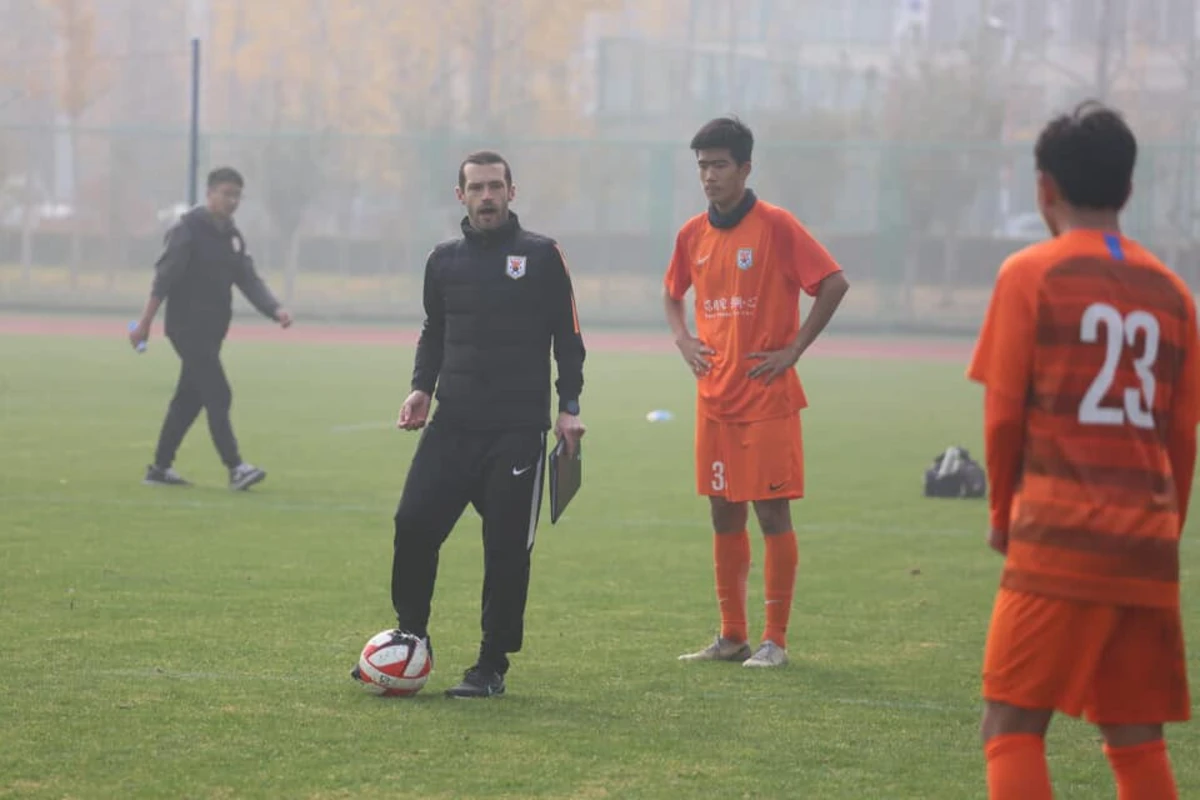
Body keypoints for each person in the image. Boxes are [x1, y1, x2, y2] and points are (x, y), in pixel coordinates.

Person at [967, 100, 1198, 800]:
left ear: (1044, 188)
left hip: (1060, 538)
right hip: (1146, 545)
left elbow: (1004, 419)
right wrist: (1166, 531)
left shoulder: (1031, 274)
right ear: (1129, 190)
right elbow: (1181, 439)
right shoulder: (1175, 295)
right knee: (1135, 736)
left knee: (1009, 724)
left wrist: (1005, 517)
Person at [354, 150, 587, 699]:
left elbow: (568, 338)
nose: (487, 197)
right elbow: (434, 331)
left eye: (495, 187)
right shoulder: (443, 260)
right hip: (452, 425)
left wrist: (569, 406)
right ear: (459, 195)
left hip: (516, 433)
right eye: (476, 188)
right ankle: (411, 637)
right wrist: (420, 387)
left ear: (512, 192)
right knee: (412, 525)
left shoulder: (542, 255)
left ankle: (490, 666)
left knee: (506, 551)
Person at [663, 116, 850, 668]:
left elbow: (833, 282)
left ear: (745, 168)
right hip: (714, 401)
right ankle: (732, 636)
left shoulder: (776, 226)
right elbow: (673, 293)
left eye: (719, 165)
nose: (709, 176)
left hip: (767, 399)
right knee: (723, 516)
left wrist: (793, 351)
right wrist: (683, 340)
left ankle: (776, 640)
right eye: (701, 166)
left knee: (772, 517)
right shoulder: (692, 234)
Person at [128, 166, 293, 491]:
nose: (231, 201)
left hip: (212, 331)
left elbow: (247, 278)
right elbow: (165, 278)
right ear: (210, 193)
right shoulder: (187, 230)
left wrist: (275, 309)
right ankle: (236, 468)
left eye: (236, 196)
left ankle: (159, 468)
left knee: (189, 399)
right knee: (218, 392)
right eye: (225, 194)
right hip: (186, 329)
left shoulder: (231, 236)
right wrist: (145, 322)